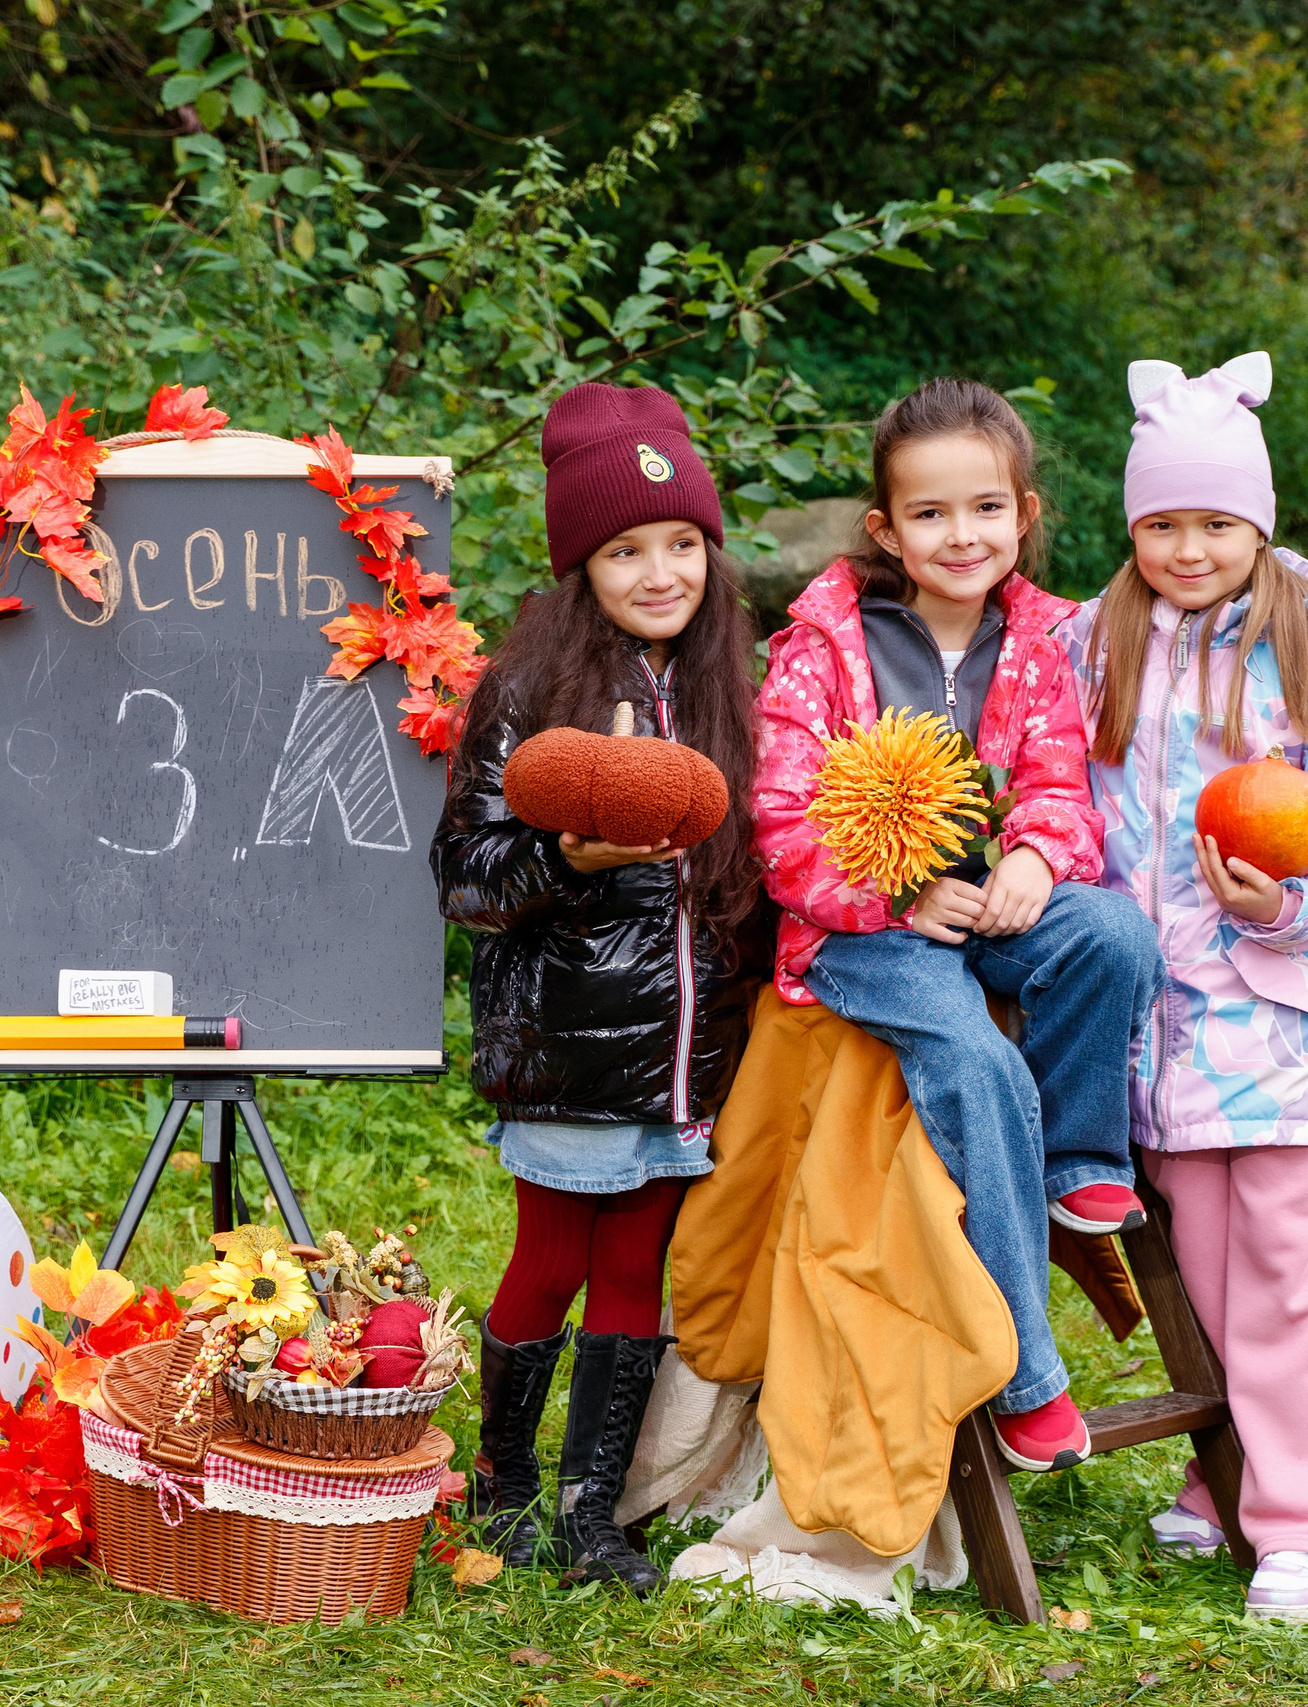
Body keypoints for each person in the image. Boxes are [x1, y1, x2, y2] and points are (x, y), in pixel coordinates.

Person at [752, 377, 1162, 1475]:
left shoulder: (1043, 641)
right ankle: (1028, 1373)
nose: (960, 534)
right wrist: (893, 898)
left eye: (985, 508)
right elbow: (782, 831)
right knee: (976, 1063)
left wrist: (1036, 853)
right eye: (929, 514)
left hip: (992, 907)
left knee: (1112, 938)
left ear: (1024, 514)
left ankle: (1079, 1158)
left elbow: (1058, 782)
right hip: (863, 934)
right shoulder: (822, 648)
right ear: (885, 528)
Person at [1067, 352, 1308, 1624]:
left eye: (1216, 522)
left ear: (1256, 523)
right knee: (1201, 1281)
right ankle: (1222, 1482)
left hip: (1279, 1024)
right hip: (1155, 1036)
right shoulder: (1088, 637)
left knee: (1286, 1278)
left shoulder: (1299, 639)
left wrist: (1297, 904)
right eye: (1162, 522)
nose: (1188, 546)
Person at [433, 382, 760, 1596]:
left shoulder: (741, 686)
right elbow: (464, 878)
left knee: (637, 1273)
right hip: (569, 1042)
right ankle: (504, 1484)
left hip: (690, 1053)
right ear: (583, 566)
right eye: (626, 550)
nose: (660, 571)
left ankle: (592, 1512)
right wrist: (566, 859)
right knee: (548, 1263)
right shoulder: (529, 697)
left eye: (681, 543)